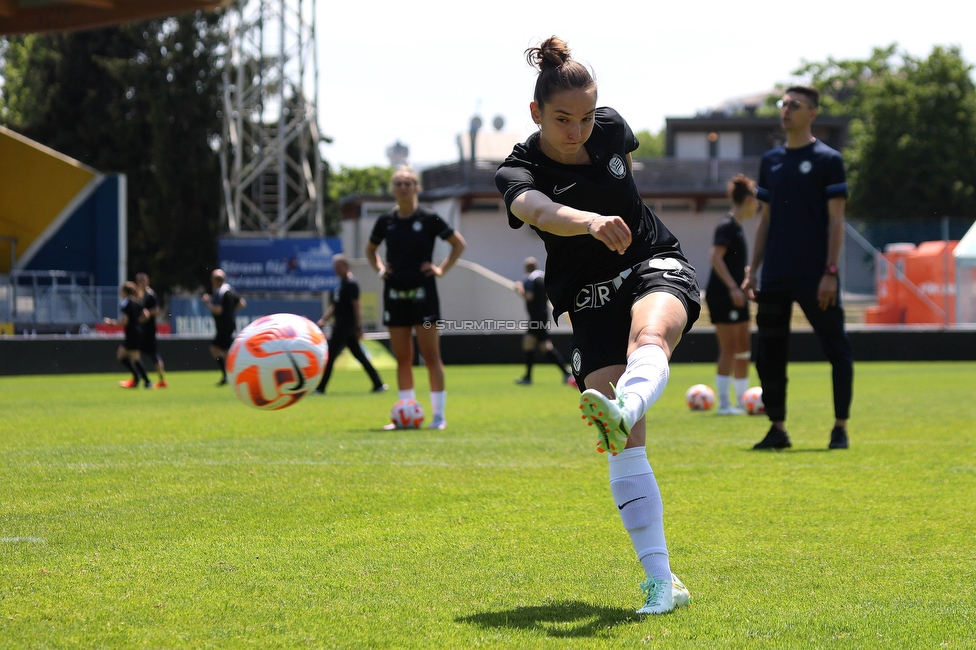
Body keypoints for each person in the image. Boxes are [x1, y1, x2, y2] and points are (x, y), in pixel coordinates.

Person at [495, 37, 701, 615]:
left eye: (586, 117)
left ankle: (626, 406)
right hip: (585, 296)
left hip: (653, 260)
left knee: (650, 337)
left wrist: (613, 226)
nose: (578, 131)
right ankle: (662, 583)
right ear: (536, 112)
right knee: (625, 451)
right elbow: (539, 211)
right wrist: (589, 222)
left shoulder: (612, 129)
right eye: (563, 119)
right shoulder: (517, 169)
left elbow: (620, 184)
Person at [742, 85, 853, 450]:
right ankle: (778, 429)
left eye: (795, 105)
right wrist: (751, 269)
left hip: (815, 274)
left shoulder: (828, 160)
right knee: (768, 354)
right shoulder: (771, 160)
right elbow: (765, 219)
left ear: (812, 113)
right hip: (774, 274)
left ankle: (839, 428)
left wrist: (830, 272)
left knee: (836, 348)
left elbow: (837, 222)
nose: (786, 110)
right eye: (783, 104)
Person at [365, 166, 466, 430]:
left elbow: (458, 244)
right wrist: (379, 269)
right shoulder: (386, 221)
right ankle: (405, 414)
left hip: (424, 294)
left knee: (431, 356)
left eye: (408, 183)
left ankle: (438, 416)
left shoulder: (429, 218)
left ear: (416, 188)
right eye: (398, 183)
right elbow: (371, 249)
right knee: (403, 357)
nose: (402, 187)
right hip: (394, 293)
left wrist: (440, 269)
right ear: (393, 189)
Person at [705, 175, 758, 414]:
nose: (757, 205)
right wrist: (733, 287)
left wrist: (746, 278)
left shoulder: (736, 227)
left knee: (744, 345)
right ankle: (724, 404)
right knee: (729, 347)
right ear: (748, 200)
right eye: (755, 200)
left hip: (737, 295)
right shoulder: (726, 225)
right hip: (724, 295)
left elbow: (733, 263)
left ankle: (742, 401)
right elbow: (715, 257)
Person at [314, 254, 388, 395]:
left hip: (345, 325)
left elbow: (356, 306)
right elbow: (335, 306)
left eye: (338, 266)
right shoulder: (341, 285)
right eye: (335, 267)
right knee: (359, 355)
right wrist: (324, 319)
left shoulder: (351, 284)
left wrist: (359, 327)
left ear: (346, 267)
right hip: (342, 325)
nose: (336, 269)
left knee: (330, 355)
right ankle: (378, 383)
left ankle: (321, 387)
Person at [513, 256, 574, 386]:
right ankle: (565, 372)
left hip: (536, 317)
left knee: (532, 344)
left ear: (527, 268)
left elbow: (529, 296)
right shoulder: (543, 278)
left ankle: (529, 377)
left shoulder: (530, 279)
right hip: (542, 315)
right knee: (543, 346)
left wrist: (519, 289)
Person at [203, 268, 247, 386]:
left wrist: (207, 303)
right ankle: (232, 374)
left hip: (224, 326)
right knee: (226, 351)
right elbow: (242, 303)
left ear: (215, 280)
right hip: (229, 325)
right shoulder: (229, 290)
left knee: (216, 349)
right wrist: (231, 310)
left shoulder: (221, 293)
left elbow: (218, 310)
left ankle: (230, 374)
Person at [104, 281, 152, 388]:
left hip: (132, 333)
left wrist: (111, 323)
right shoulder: (136, 302)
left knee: (132, 357)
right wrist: (137, 322)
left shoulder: (126, 303)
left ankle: (145, 380)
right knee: (123, 355)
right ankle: (138, 377)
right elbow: (146, 315)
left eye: (121, 290)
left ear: (125, 292)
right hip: (137, 332)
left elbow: (125, 321)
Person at [135, 272, 167, 388]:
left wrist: (147, 313)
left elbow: (157, 310)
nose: (140, 284)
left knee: (153, 355)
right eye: (139, 282)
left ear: (147, 282)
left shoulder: (150, 295)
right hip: (141, 329)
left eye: (142, 281)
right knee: (136, 354)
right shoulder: (139, 295)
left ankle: (162, 379)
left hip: (149, 329)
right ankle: (139, 377)